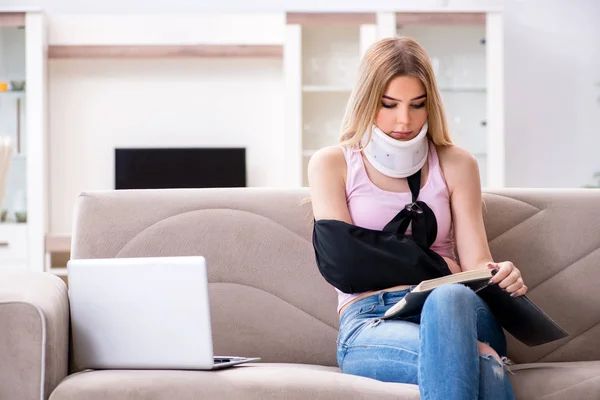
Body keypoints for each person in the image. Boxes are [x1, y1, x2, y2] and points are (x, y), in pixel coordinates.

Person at [308, 37, 525, 399]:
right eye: (389, 105)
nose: (404, 120)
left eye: (417, 105)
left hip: (460, 311)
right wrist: (439, 264)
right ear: (366, 102)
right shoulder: (333, 164)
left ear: (431, 107)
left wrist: (500, 272)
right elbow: (343, 264)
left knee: (448, 298)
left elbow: (475, 265)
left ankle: (470, 342)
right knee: (479, 361)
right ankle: (480, 357)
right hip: (370, 319)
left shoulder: (457, 164)